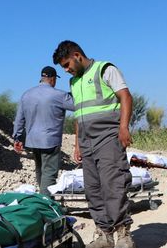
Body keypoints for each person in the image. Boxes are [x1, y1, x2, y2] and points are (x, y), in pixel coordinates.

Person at [52, 41, 135, 248]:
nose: (66, 70)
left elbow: (125, 96)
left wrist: (123, 127)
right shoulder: (74, 82)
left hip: (108, 137)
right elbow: (80, 115)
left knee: (113, 185)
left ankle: (123, 234)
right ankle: (103, 234)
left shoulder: (105, 69)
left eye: (67, 64)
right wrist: (77, 145)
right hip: (86, 142)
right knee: (93, 189)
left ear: (77, 55)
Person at [13, 66, 75, 196]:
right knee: (49, 173)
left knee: (40, 170)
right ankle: (46, 205)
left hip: (33, 141)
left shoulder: (27, 95)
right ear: (52, 79)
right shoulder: (59, 95)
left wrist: (17, 138)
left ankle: (42, 200)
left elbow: (19, 119)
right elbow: (78, 105)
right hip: (50, 141)